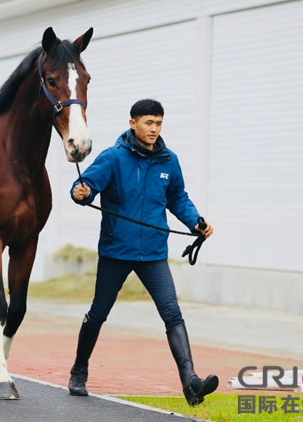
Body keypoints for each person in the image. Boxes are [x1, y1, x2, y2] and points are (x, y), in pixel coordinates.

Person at [67, 99, 217, 406]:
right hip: (116, 251)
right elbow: (86, 186)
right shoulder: (113, 157)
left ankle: (191, 383)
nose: (154, 129)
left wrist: (196, 221)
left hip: (153, 253)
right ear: (133, 122)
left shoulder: (168, 160)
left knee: (172, 313)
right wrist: (80, 192)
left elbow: (178, 198)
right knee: (98, 313)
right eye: (149, 122)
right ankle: (79, 371)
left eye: (159, 123)